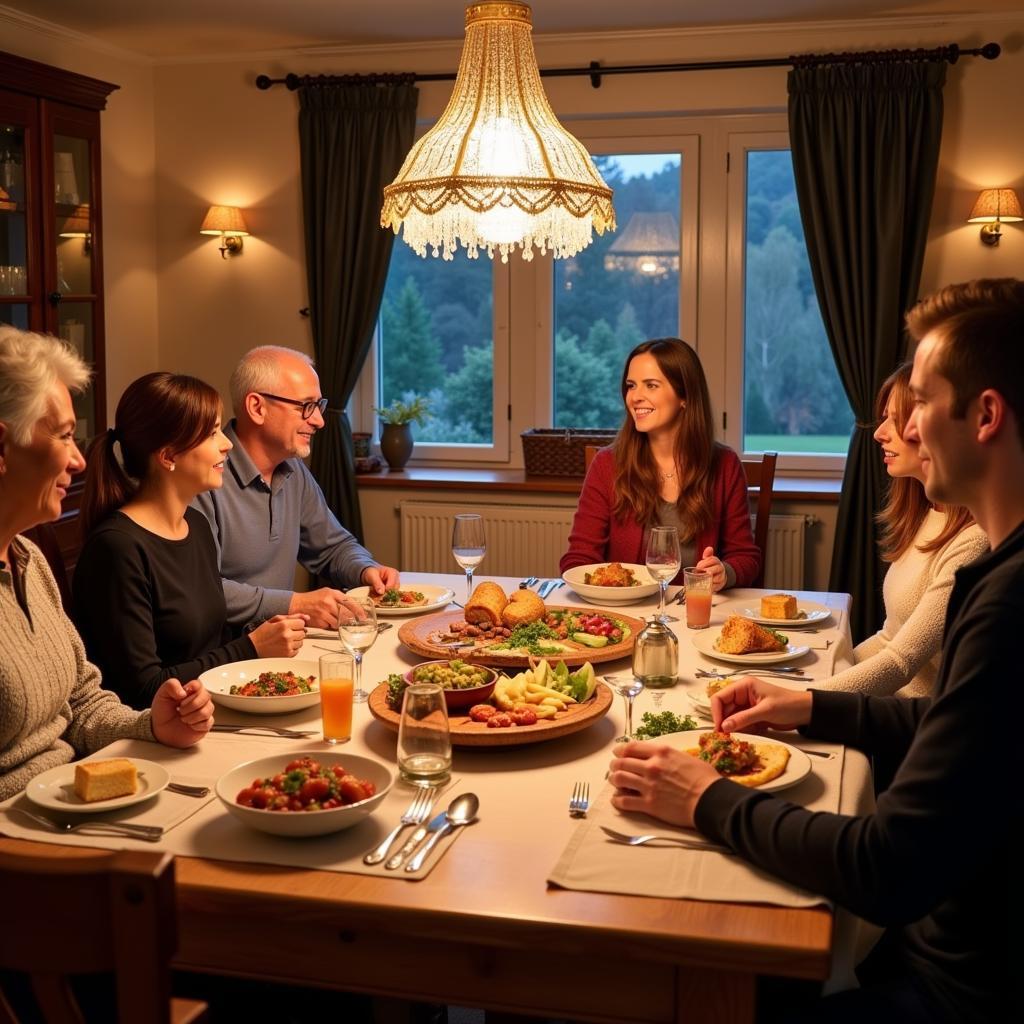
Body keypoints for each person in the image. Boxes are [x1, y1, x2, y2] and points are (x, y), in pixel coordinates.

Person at [607, 278, 1024, 1022]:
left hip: (950, 986)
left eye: (920, 402)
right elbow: (943, 723)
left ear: (986, 415)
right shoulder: (1001, 569)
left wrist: (704, 797)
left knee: (698, 972)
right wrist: (806, 705)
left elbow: (883, 865)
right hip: (930, 940)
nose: (900, 427)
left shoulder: (1008, 600)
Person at [0, 327, 213, 800]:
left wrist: (152, 724)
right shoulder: (117, 544)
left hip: (66, 804)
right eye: (64, 436)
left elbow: (81, 702)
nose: (78, 460)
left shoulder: (27, 560)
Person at [74, 372, 307, 710]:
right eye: (212, 433)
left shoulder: (194, 525)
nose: (226, 443)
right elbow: (145, 689)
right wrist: (252, 647)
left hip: (208, 713)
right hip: (151, 734)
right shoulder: (117, 549)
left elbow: (209, 644)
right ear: (168, 456)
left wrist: (260, 638)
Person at [193, 345, 399, 630]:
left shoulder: (293, 470)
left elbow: (332, 547)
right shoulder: (203, 477)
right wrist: (296, 604)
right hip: (224, 662)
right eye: (306, 406)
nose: (319, 420)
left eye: (319, 405)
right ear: (257, 407)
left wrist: (365, 569)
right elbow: (203, 590)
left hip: (280, 651)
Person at [819, 362, 987, 697]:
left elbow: (900, 662)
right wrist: (816, 672)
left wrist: (805, 699)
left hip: (916, 726)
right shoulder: (928, 513)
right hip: (892, 709)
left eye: (897, 419)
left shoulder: (974, 540)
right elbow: (890, 636)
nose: (880, 432)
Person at [560, 338, 760, 589]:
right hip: (625, 616)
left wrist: (724, 572)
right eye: (631, 386)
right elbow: (578, 559)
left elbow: (746, 557)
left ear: (684, 396)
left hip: (694, 614)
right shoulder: (607, 464)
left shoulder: (725, 464)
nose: (635, 397)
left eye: (651, 385)